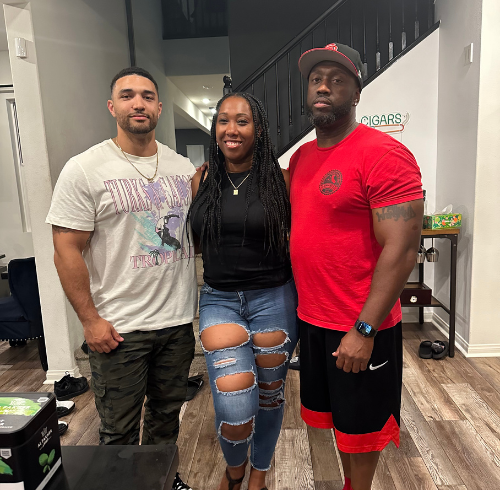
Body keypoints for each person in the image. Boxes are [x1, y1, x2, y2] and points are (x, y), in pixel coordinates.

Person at [46, 67, 197, 489]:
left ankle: (162, 482)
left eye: (147, 96)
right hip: (119, 328)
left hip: (176, 322)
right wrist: (89, 320)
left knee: (167, 416)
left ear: (159, 107)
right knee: (118, 431)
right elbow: (66, 250)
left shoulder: (182, 166)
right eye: (128, 96)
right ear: (112, 107)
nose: (138, 103)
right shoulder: (85, 169)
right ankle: (121, 490)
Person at [289, 43, 424, 490]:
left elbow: (402, 249)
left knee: (362, 430)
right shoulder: (301, 159)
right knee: (336, 421)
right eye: (316, 79)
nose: (323, 87)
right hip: (313, 320)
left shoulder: (384, 154)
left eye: (337, 79)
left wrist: (364, 330)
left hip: (360, 324)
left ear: (357, 92)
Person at [188, 92, 299, 490]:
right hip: (220, 300)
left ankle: (259, 474)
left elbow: (301, 241)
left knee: (270, 395)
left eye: (242, 121)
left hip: (274, 298)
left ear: (259, 129)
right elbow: (197, 241)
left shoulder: (282, 180)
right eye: (223, 120)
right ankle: (235, 469)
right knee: (234, 404)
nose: (231, 130)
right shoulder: (202, 179)